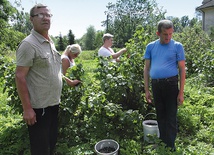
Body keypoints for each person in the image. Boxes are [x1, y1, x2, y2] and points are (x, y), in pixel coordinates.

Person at [15, 4, 78, 155]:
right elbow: (20, 76)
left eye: (48, 15)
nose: (45, 18)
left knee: (51, 142)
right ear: (31, 19)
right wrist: (27, 109)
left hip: (53, 104)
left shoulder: (50, 42)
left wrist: (68, 81)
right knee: (40, 148)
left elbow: (53, 70)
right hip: (39, 108)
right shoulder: (29, 44)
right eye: (41, 15)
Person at [143, 19, 186, 151]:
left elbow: (182, 69)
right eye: (165, 34)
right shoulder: (150, 46)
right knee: (160, 115)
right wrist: (146, 90)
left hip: (171, 85)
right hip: (156, 86)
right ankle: (162, 142)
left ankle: (171, 145)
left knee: (171, 116)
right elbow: (146, 69)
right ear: (158, 33)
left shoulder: (177, 46)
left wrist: (181, 92)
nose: (168, 37)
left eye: (170, 34)